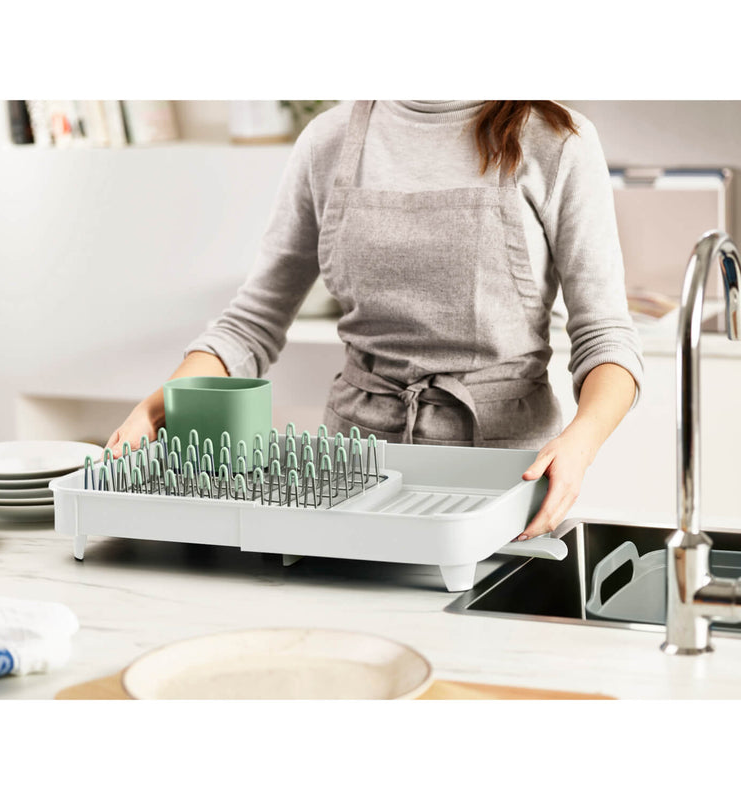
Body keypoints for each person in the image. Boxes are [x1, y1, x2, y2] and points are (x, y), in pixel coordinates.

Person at [106, 100, 643, 540]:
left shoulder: (556, 140)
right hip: (349, 472)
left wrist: (580, 444)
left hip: (504, 480)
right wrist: (159, 404)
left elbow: (606, 336)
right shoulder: (329, 140)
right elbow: (252, 321)